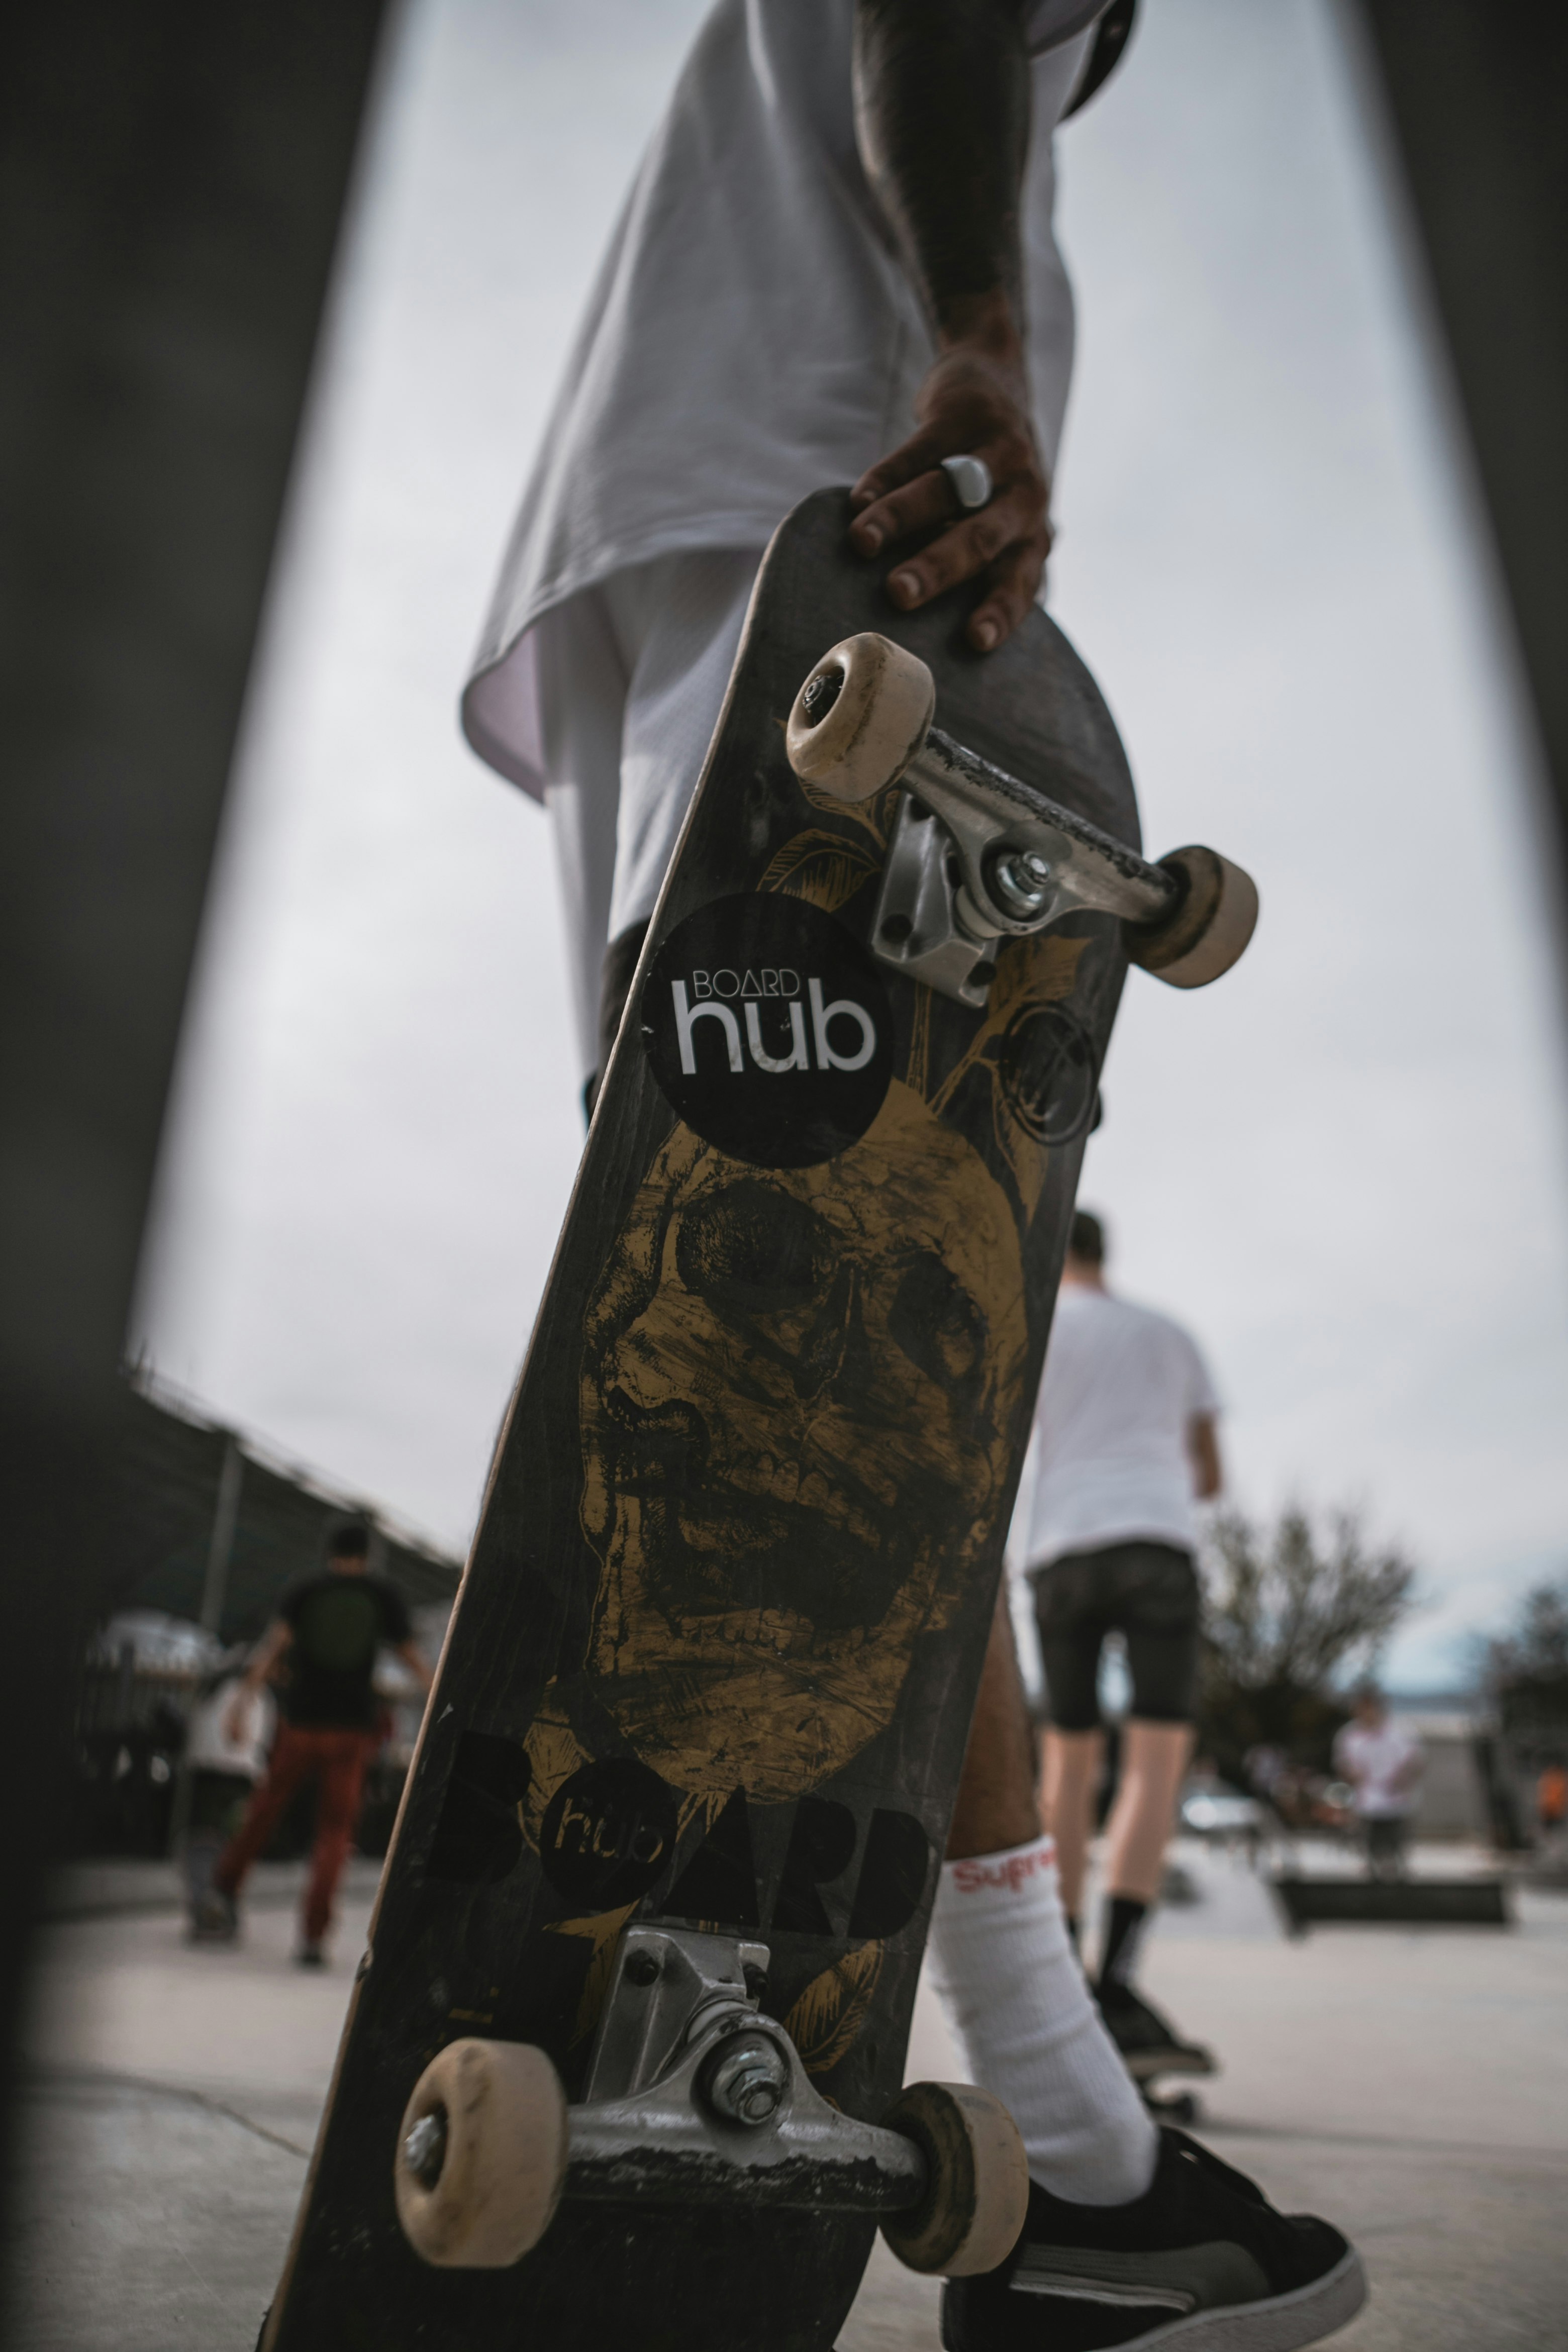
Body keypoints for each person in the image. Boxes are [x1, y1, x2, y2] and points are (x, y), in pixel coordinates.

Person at [461, 5, 1364, 2343]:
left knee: (780, 1313)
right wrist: (974, 333)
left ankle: (1046, 2130)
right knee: (866, 1307)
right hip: (847, 547)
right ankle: (1063, 2143)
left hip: (668, 585)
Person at [1012, 1206, 1221, 2084]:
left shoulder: (1037, 1333)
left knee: (1068, 1761)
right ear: (1108, 1254)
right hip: (1154, 1542)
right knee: (1155, 1762)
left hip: (1062, 1551)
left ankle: (1062, 1981)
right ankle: (1117, 1982)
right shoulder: (1169, 1335)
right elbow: (1210, 1472)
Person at [198, 1521, 433, 1964]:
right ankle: (312, 1936)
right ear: (367, 1556)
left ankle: (223, 1891)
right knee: (335, 1830)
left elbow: (272, 1647)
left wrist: (241, 1704)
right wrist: (438, 1692)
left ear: (330, 1553)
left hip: (301, 1724)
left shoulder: (306, 1590)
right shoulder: (380, 1595)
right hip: (351, 1730)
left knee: (266, 1807)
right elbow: (411, 1659)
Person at [181, 1652, 275, 1938]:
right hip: (238, 1779)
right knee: (230, 1846)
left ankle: (202, 1906)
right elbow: (252, 1743)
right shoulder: (257, 1696)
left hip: (204, 1775)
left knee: (202, 1841)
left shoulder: (212, 1689)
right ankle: (221, 1910)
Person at [1332, 1685, 1423, 1880]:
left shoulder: (1401, 1731)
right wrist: (1351, 1776)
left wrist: (1403, 1779)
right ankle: (1373, 1873)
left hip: (1397, 1799)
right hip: (1365, 1801)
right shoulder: (1348, 1735)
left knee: (1396, 1841)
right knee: (1368, 1842)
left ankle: (1399, 1871)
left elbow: (1416, 1762)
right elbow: (1342, 1765)